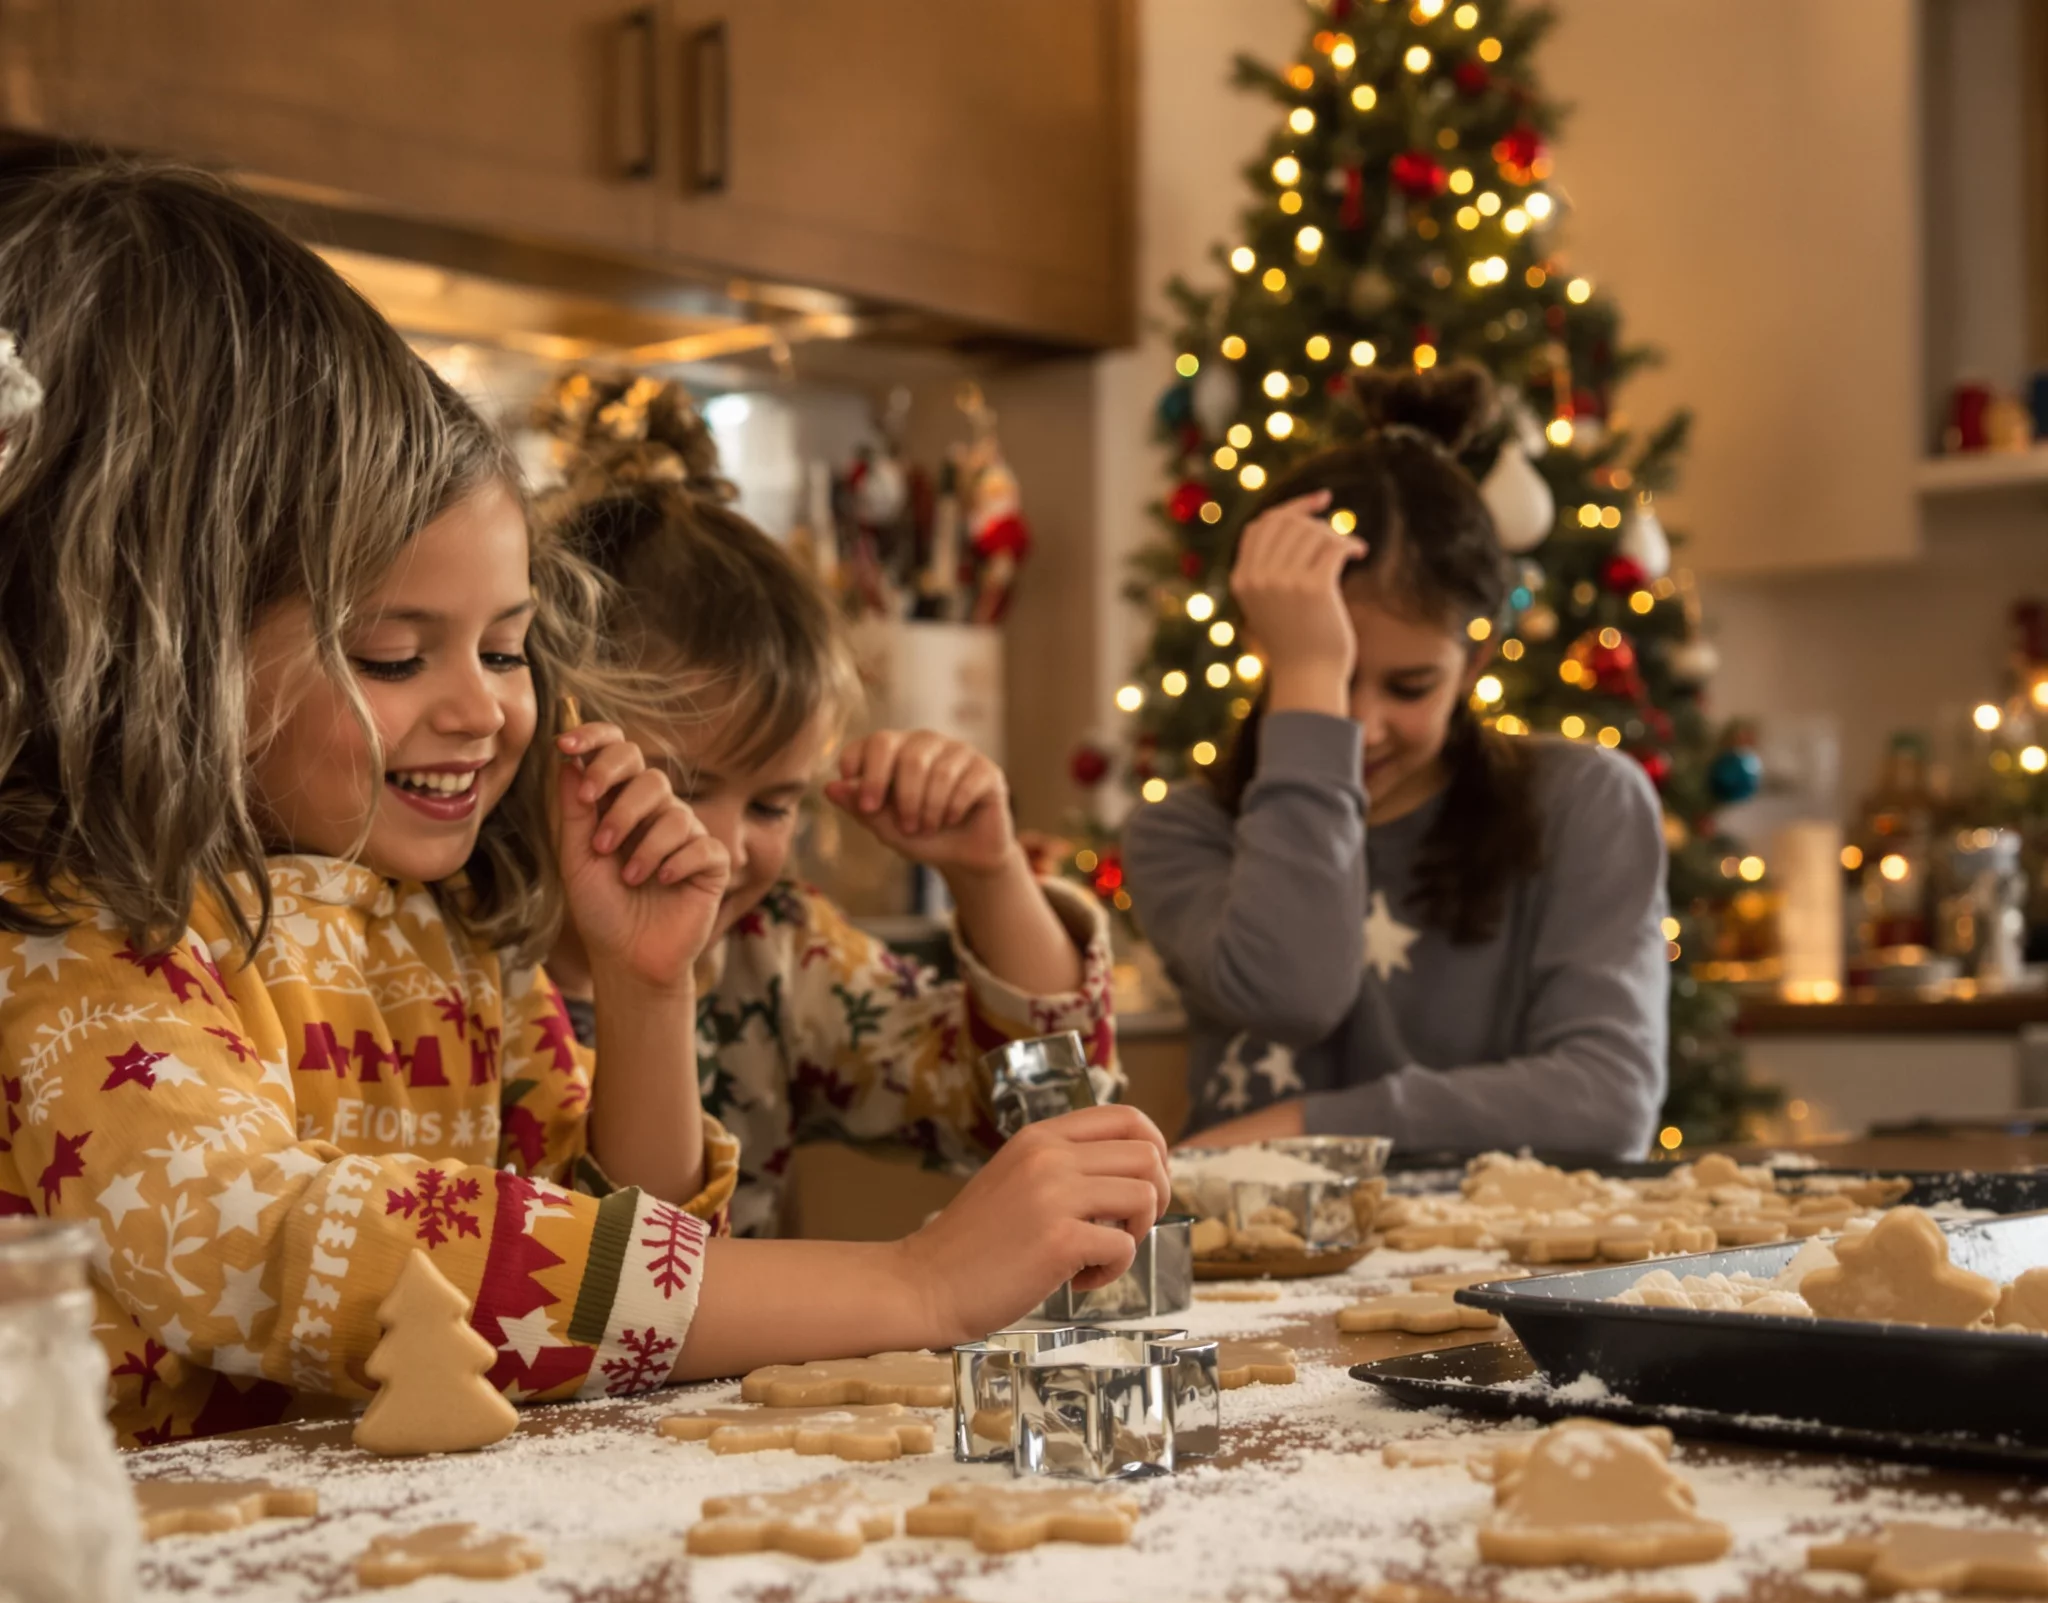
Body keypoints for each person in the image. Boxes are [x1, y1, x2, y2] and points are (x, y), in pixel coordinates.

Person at [0, 163, 1168, 1443]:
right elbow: (274, 1236)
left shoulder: (442, 932)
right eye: (392, 655)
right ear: (160, 642)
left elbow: (635, 1257)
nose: (483, 708)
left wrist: (646, 992)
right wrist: (912, 1283)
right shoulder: (67, 938)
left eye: (506, 649)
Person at [537, 374, 1114, 1236]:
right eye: (681, 789)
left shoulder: (774, 952)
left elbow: (1049, 1115)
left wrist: (990, 875)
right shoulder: (447, 979)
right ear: (545, 738)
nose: (729, 850)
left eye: (773, 807)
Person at [1125, 364, 1669, 1160]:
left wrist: (1312, 1127)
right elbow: (1296, 995)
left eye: (1410, 686)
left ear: (1475, 662)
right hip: (1256, 1244)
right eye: (1330, 678)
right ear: (1264, 650)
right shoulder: (1183, 831)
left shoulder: (1582, 801)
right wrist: (1306, 684)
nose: (1362, 728)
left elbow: (1607, 1099)